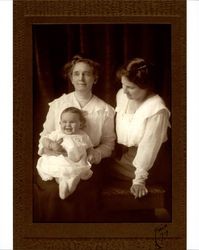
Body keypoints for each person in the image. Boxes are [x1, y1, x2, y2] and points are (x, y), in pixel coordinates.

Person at [34, 55, 116, 222]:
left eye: (87, 74)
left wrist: (96, 153)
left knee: (82, 191)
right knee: (51, 191)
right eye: (76, 74)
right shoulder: (58, 104)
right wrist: (50, 147)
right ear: (71, 78)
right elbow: (45, 135)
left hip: (86, 163)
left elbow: (109, 143)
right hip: (57, 161)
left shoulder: (105, 110)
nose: (81, 78)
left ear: (95, 78)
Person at [110, 58, 171, 199]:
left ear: (146, 86)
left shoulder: (156, 108)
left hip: (148, 165)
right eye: (122, 84)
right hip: (125, 158)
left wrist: (139, 180)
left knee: (95, 169)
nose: (124, 91)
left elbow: (149, 147)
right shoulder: (122, 96)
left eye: (130, 87)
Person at [36, 107, 94, 200]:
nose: (68, 125)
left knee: (76, 172)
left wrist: (91, 155)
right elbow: (44, 140)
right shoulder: (57, 134)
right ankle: (64, 183)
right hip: (60, 159)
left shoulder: (83, 135)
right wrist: (51, 144)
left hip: (77, 161)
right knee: (61, 172)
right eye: (64, 122)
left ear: (80, 124)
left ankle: (68, 185)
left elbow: (90, 147)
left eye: (72, 122)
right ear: (60, 123)